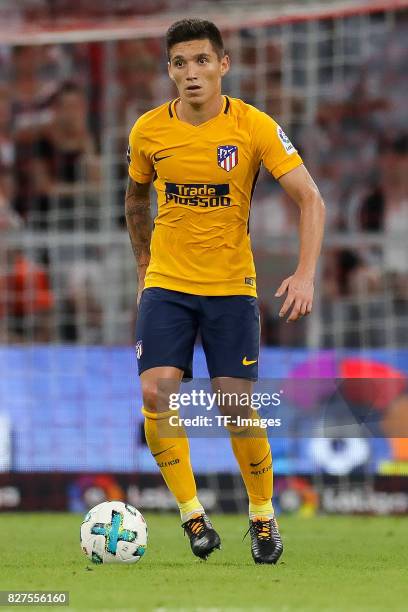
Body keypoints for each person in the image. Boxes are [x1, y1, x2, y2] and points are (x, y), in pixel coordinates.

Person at [125, 19, 325, 564]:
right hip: (167, 283)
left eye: (201, 61)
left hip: (231, 288)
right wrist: (145, 263)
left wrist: (305, 273)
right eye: (179, 63)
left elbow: (311, 199)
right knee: (155, 394)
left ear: (223, 65)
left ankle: (262, 518)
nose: (191, 73)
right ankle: (194, 517)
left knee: (236, 406)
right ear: (169, 70)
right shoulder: (147, 131)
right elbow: (136, 200)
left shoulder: (254, 127)